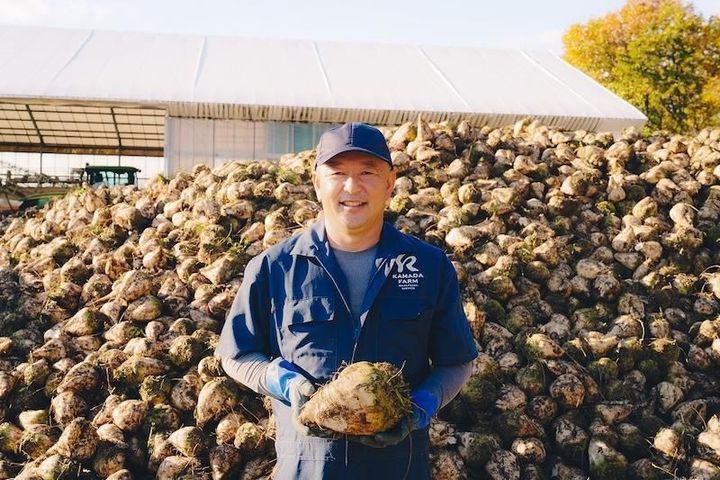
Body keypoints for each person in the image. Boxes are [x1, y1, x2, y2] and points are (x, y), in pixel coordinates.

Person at [216, 122, 478, 479]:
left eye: (368, 173)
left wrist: (423, 404)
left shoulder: (429, 266)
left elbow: (456, 362)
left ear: (390, 183)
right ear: (317, 182)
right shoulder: (274, 267)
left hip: (398, 468)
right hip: (307, 469)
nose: (352, 187)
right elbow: (236, 354)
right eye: (338, 173)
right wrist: (280, 381)